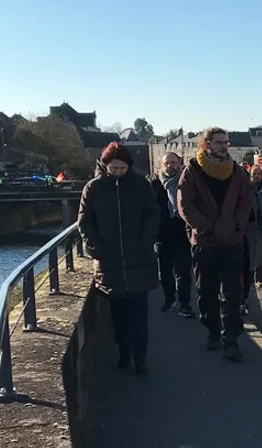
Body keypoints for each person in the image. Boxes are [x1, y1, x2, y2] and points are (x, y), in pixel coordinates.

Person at [79, 142, 159, 375]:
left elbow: (152, 214)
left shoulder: (141, 185)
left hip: (138, 257)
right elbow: (85, 222)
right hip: (110, 261)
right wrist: (95, 247)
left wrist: (146, 239)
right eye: (113, 168)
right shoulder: (93, 188)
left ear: (129, 166)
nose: (117, 172)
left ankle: (140, 356)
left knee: (140, 312)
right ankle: (124, 351)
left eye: (122, 168)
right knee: (119, 315)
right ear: (105, 166)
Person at [178, 127, 253, 362]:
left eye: (226, 142)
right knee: (206, 292)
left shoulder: (237, 171)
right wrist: (204, 226)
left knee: (232, 294)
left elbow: (246, 201)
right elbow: (185, 204)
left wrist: (236, 225)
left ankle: (231, 340)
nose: (224, 146)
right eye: (219, 142)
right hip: (205, 242)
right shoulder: (192, 171)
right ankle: (212, 330)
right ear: (206, 144)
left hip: (231, 242)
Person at [151, 152, 194, 318]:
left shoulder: (186, 183)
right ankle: (169, 299)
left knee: (183, 272)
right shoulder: (154, 185)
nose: (170, 166)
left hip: (182, 235)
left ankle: (184, 304)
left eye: (174, 162)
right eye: (167, 163)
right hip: (161, 236)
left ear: (179, 163)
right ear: (162, 165)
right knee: (164, 273)